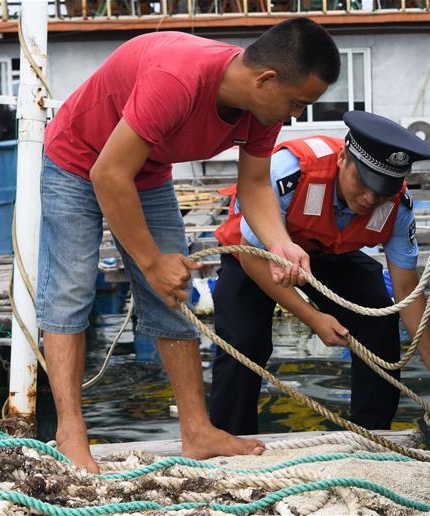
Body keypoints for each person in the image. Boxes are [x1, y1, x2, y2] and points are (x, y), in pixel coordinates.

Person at [38, 18, 341, 473]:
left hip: (144, 171)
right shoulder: (177, 80)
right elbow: (107, 174)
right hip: (77, 161)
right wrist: (150, 261)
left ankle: (197, 431)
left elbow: (256, 184)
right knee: (70, 293)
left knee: (172, 295)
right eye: (297, 103)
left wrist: (281, 243)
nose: (295, 115)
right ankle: (70, 433)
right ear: (266, 79)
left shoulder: (261, 110)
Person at [209, 111, 430, 435]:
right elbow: (251, 257)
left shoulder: (397, 207)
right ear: (343, 158)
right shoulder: (291, 172)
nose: (370, 198)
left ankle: (373, 436)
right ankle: (231, 439)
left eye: (383, 190)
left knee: (378, 318)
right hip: (252, 251)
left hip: (327, 253)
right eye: (364, 183)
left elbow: (407, 290)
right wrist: (313, 318)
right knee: (244, 339)